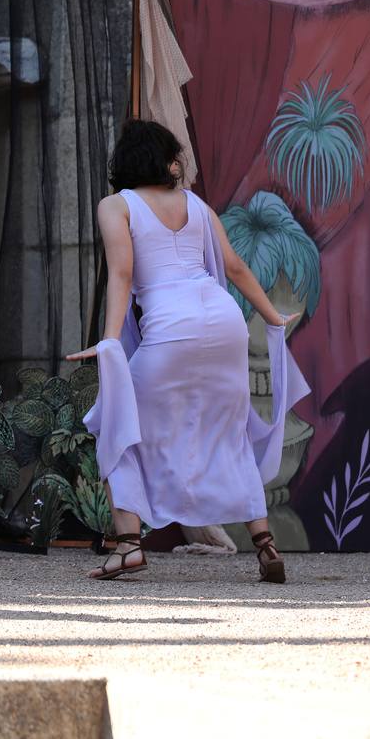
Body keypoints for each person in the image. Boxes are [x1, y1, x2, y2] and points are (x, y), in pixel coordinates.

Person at [67, 120, 309, 583]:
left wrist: (111, 342)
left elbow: (121, 274)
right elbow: (235, 267)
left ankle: (129, 546)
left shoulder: (115, 205)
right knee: (229, 432)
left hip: (172, 330)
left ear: (124, 163)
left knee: (119, 424)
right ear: (169, 162)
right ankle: (264, 544)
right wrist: (274, 319)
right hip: (224, 323)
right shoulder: (196, 206)